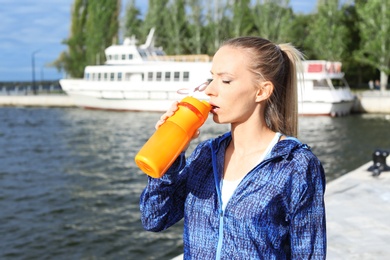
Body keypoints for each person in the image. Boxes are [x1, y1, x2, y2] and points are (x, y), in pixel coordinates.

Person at [140, 36, 327, 259]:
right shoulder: (205, 155)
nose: (209, 90)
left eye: (225, 81)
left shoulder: (296, 166)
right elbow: (154, 218)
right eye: (212, 78)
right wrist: (170, 149)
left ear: (262, 91)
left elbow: (310, 254)